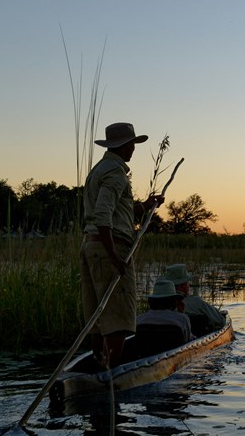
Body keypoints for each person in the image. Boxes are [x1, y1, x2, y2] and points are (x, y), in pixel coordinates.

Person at [80, 122, 164, 368]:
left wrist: (145, 206)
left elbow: (114, 210)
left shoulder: (98, 170)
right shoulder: (115, 173)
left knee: (98, 315)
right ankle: (111, 373)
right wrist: (115, 257)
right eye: (132, 145)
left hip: (91, 247)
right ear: (125, 146)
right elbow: (103, 216)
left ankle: (98, 363)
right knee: (117, 316)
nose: (133, 150)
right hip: (111, 248)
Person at [163, 263, 225, 336]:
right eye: (187, 283)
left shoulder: (158, 305)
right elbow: (220, 321)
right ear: (184, 286)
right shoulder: (195, 302)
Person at [136, 277, 195, 343]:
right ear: (173, 301)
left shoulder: (138, 320)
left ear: (152, 301)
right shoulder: (182, 319)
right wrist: (182, 313)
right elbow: (190, 341)